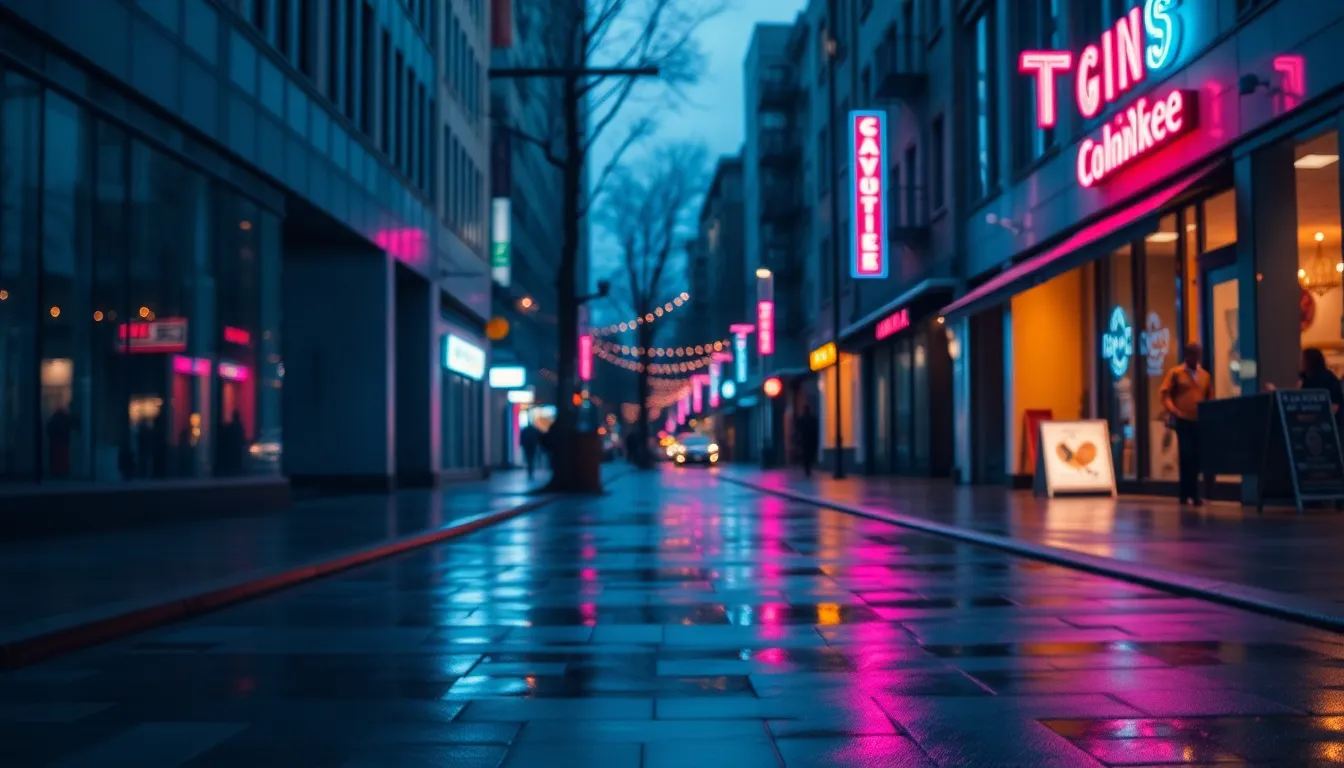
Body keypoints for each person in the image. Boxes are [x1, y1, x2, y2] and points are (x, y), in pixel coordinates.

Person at [1160, 342, 1214, 506]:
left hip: (1199, 420)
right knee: (1186, 454)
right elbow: (1165, 394)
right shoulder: (1176, 373)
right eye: (1193, 354)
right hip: (1183, 419)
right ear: (1187, 356)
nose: (1196, 358)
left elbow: (1209, 396)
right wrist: (1173, 410)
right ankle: (1185, 493)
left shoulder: (1204, 375)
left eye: (1198, 354)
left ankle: (1195, 493)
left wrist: (1210, 414)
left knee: (1197, 457)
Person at [1300, 347, 1343, 430]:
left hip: (1329, 426)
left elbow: (1335, 405)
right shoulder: (1306, 378)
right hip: (1311, 424)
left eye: (1303, 360)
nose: (1300, 363)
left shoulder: (1328, 379)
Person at [796, 401, 819, 478]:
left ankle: (807, 469)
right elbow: (815, 429)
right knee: (809, 455)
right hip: (811, 441)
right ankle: (808, 468)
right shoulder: (812, 419)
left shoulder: (802, 419)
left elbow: (799, 429)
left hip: (805, 441)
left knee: (806, 456)